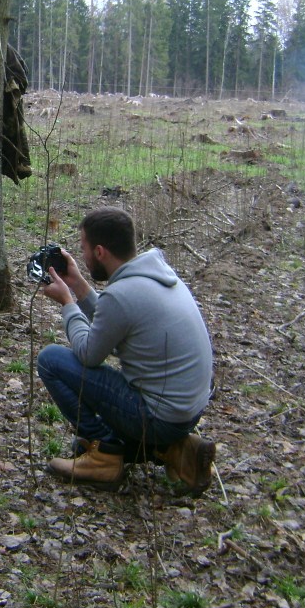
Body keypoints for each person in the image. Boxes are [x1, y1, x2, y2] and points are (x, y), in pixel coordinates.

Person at [36, 207, 216, 495]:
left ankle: (105, 456)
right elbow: (116, 319)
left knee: (50, 360)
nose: (80, 256)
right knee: (84, 437)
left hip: (158, 418)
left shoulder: (121, 295)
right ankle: (176, 449)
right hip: (186, 413)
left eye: (82, 248)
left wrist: (68, 303)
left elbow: (88, 354)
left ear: (99, 252)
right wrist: (80, 287)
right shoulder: (157, 275)